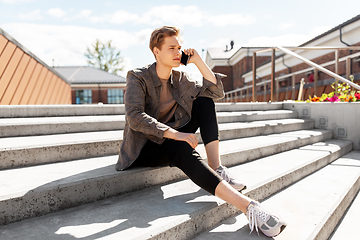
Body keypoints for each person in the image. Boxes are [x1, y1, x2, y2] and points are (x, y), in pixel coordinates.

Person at [115, 26, 287, 237]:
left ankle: (217, 168)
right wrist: (176, 134)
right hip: (144, 147)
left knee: (205, 102)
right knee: (180, 148)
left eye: (179, 47)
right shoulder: (138, 77)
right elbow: (135, 117)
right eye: (171, 48)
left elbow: (215, 92)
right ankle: (249, 207)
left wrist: (198, 61)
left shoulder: (180, 79)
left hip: (171, 136)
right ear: (156, 51)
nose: (178, 52)